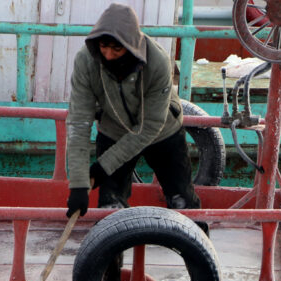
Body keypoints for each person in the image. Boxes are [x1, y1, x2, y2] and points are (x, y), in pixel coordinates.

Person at [65, 3, 202, 219]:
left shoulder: (157, 61)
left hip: (162, 131)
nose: (108, 55)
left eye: (116, 49)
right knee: (109, 208)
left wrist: (102, 167)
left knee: (182, 202)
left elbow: (148, 128)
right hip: (114, 131)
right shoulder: (86, 61)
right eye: (103, 46)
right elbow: (79, 122)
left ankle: (196, 249)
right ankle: (112, 252)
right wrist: (79, 184)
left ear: (130, 46)